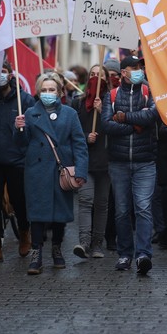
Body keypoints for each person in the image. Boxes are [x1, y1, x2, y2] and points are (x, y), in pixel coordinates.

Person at [14, 72, 88, 274]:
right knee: (37, 213)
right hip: (37, 171)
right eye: (44, 90)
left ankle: (56, 248)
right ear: (38, 92)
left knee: (59, 213)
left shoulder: (69, 114)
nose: (48, 93)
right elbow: (21, 145)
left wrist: (80, 170)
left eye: (51, 90)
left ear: (59, 91)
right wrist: (18, 128)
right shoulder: (29, 113)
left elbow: (80, 144)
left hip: (61, 170)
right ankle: (36, 252)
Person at [101, 55, 159, 274]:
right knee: (122, 211)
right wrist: (136, 125)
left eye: (139, 68)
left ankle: (143, 254)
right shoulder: (112, 95)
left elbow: (153, 116)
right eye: (133, 68)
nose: (138, 71)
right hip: (119, 162)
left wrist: (124, 118)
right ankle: (125, 254)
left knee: (143, 208)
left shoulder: (149, 92)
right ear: (123, 72)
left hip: (145, 162)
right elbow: (106, 125)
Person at [0, 61, 35, 265]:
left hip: (17, 160)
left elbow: (34, 129)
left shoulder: (25, 100)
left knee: (20, 201)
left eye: (3, 72)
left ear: (11, 75)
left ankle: (24, 231)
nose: (0, 75)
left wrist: (23, 127)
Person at [70, 64, 111, 259]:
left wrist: (103, 111)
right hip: (85, 159)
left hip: (106, 160)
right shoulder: (78, 103)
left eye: (100, 75)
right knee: (86, 201)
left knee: (102, 203)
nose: (96, 78)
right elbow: (72, 131)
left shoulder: (112, 101)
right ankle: (84, 242)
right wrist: (87, 136)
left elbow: (116, 129)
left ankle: (97, 244)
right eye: (92, 74)